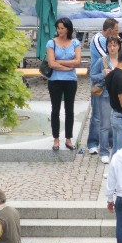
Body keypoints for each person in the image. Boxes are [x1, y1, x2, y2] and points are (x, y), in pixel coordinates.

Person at [91, 36, 122, 162]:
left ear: (119, 46)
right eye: (109, 46)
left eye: (114, 45)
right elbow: (92, 76)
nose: (112, 48)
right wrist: (103, 74)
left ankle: (115, 149)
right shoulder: (102, 61)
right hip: (105, 95)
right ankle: (104, 151)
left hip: (121, 96)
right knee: (105, 124)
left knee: (117, 124)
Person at [46, 18, 82, 152]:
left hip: (70, 81)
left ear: (68, 29)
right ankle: (56, 138)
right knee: (55, 110)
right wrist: (68, 66)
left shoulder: (75, 43)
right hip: (55, 80)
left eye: (62, 28)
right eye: (58, 28)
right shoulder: (51, 43)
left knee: (69, 110)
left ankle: (68, 138)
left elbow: (78, 61)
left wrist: (59, 62)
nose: (60, 31)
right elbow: (51, 63)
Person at [87, 19, 119, 157]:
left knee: (110, 115)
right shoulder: (97, 40)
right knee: (97, 115)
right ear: (110, 30)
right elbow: (106, 58)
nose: (118, 34)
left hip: (111, 82)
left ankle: (109, 142)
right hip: (99, 81)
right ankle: (93, 143)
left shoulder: (109, 40)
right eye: (116, 31)